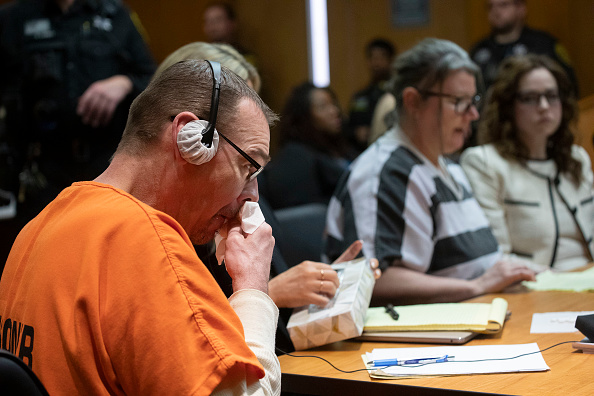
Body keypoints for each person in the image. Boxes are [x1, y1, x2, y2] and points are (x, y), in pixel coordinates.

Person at [0, 59, 281, 394]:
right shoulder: (147, 244)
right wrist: (252, 286)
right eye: (248, 166)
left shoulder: (39, 225)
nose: (252, 198)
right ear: (190, 138)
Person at [154, 42, 381, 353]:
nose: (250, 118)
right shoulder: (167, 221)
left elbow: (276, 329)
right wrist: (271, 292)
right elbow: (186, 340)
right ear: (193, 136)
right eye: (235, 110)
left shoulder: (246, 194)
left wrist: (325, 284)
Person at [325, 38, 536, 306]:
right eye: (458, 101)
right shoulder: (383, 173)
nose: (472, 114)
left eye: (474, 101)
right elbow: (371, 277)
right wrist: (477, 286)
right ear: (413, 101)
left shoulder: (451, 168)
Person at [0, 0, 156, 268]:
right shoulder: (15, 18)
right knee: (44, 260)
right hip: (41, 170)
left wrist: (123, 82)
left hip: (106, 166)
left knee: (108, 256)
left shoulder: (115, 14)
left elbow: (151, 77)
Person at [460, 54, 594, 271]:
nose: (543, 106)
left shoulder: (576, 158)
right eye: (530, 98)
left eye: (551, 96)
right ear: (508, 105)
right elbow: (497, 257)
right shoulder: (485, 163)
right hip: (532, 286)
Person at [259, 82, 357, 210]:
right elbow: (301, 214)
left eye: (333, 103)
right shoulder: (295, 155)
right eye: (323, 107)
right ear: (304, 116)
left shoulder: (340, 147)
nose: (335, 111)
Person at [470, 0, 577, 93]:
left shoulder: (543, 44)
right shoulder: (479, 50)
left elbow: (568, 85)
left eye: (503, 5)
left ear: (521, 8)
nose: (496, 11)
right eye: (490, 6)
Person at [348, 38, 396, 153]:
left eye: (381, 58)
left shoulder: (397, 94)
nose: (376, 63)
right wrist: (356, 132)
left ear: (391, 60)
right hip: (363, 152)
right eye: (373, 58)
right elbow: (347, 125)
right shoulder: (360, 96)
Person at [202, 1, 257, 67]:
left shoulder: (246, 59)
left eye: (218, 20)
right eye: (208, 21)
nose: (212, 26)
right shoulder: (200, 58)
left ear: (232, 24)